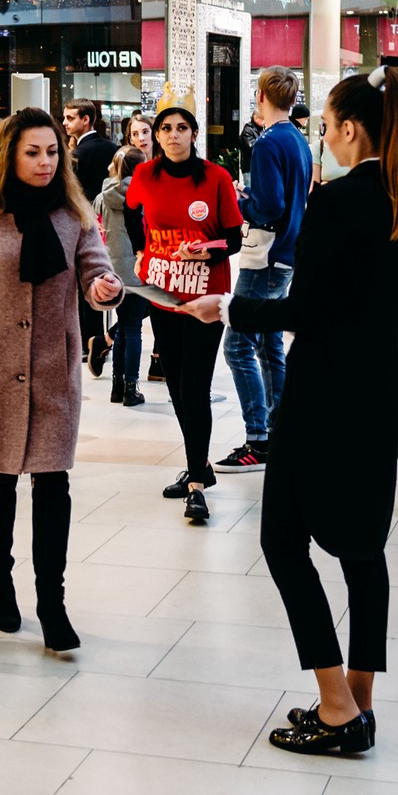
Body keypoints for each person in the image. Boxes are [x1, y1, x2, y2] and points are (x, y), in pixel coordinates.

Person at [182, 63, 398, 757]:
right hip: (382, 383)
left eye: (324, 126)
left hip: (323, 386)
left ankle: (333, 704)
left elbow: (308, 309)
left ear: (350, 129)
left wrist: (228, 306)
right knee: (363, 549)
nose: (322, 137)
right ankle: (360, 699)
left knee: (283, 541)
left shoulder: (341, 202)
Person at [0, 108, 123, 652]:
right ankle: (1, 581)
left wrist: (104, 287)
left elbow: (94, 272)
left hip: (53, 369)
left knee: (53, 485)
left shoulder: (75, 213)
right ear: (9, 157)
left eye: (51, 152)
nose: (45, 162)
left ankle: (52, 601)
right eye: (32, 152)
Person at [127, 103, 243, 524]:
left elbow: (232, 239)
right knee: (174, 384)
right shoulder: (144, 175)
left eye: (182, 128)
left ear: (194, 134)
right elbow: (130, 210)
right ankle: (201, 465)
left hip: (205, 297)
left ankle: (196, 483)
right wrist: (142, 247)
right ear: (155, 136)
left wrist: (204, 249)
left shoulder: (215, 177)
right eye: (165, 129)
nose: (173, 135)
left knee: (194, 386)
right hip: (163, 293)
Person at [217, 66, 311, 474]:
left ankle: (259, 438)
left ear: (260, 96)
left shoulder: (268, 143)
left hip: (266, 254)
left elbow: (268, 207)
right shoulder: (298, 139)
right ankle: (282, 429)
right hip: (287, 251)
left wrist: (241, 205)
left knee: (238, 346)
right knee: (270, 344)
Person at [64, 99, 119, 371]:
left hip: (82, 223)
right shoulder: (113, 149)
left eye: (70, 118)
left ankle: (89, 339)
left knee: (83, 283)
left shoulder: (76, 155)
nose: (65, 123)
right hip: (111, 224)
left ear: (86, 120)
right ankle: (97, 338)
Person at [96, 146, 152, 407]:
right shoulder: (143, 194)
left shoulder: (103, 194)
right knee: (133, 329)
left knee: (121, 329)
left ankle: (116, 386)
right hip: (138, 268)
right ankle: (132, 387)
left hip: (112, 269)